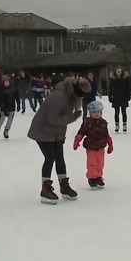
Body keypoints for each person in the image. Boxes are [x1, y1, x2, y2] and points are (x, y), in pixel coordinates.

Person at [27, 76, 90, 204]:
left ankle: (64, 185)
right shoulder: (58, 97)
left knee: (59, 157)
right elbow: (53, 119)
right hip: (42, 131)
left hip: (54, 132)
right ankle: (45, 188)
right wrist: (72, 118)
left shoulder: (70, 97)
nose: (82, 97)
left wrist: (61, 136)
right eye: (82, 94)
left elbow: (60, 120)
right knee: (50, 157)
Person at [73, 100, 114, 189]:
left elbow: (106, 134)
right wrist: (77, 140)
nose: (96, 114)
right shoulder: (87, 123)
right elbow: (81, 132)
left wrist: (110, 143)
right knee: (92, 163)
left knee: (100, 163)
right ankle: (92, 178)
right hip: (91, 146)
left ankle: (99, 177)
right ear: (90, 113)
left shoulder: (103, 123)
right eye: (93, 112)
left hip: (100, 146)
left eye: (98, 112)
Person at [108, 66, 131, 133]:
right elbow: (110, 88)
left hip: (123, 97)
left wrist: (128, 95)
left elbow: (128, 87)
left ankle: (124, 124)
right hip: (116, 97)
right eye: (117, 71)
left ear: (122, 72)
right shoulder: (113, 79)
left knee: (124, 111)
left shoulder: (125, 78)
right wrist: (110, 96)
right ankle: (117, 125)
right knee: (116, 112)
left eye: (119, 71)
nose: (118, 73)